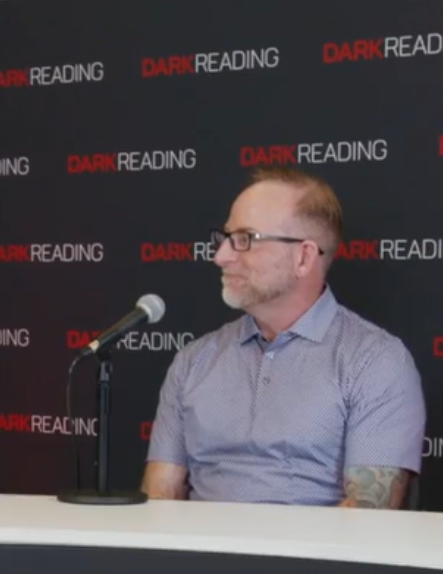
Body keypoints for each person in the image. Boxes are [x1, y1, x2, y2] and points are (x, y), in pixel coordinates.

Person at [142, 167, 424, 508]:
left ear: (303, 256)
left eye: (245, 239)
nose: (221, 256)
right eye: (225, 238)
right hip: (198, 558)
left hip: (311, 561)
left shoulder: (375, 360)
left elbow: (368, 514)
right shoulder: (194, 360)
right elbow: (160, 497)